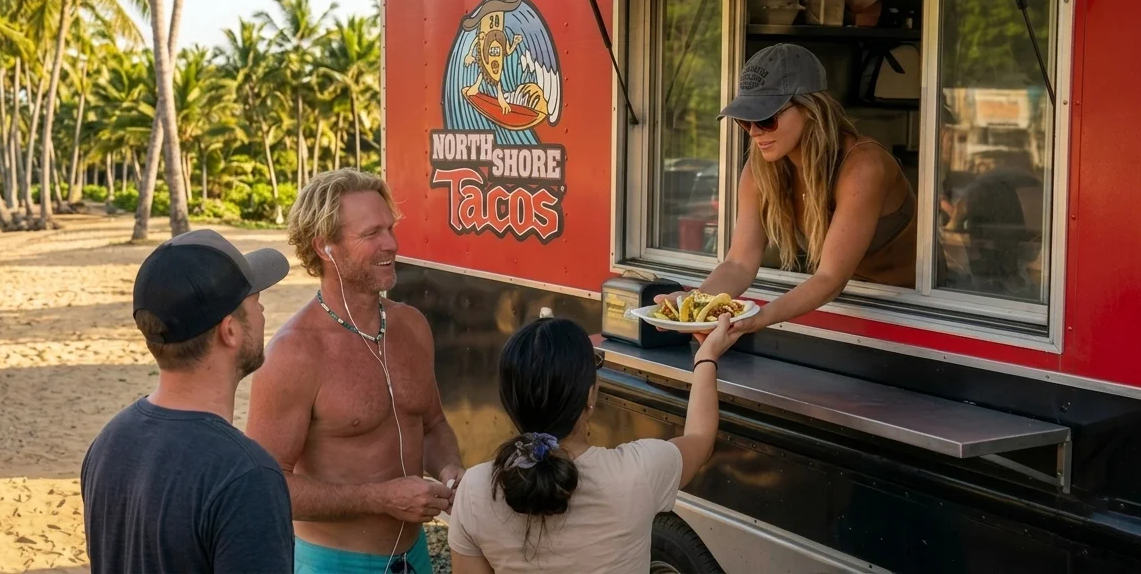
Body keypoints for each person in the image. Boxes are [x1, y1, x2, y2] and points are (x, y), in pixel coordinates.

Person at [247, 168, 465, 574]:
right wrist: (379, 499)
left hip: (414, 558)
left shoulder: (412, 325)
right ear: (325, 247)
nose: (392, 244)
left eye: (390, 228)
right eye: (371, 235)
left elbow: (432, 424)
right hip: (331, 563)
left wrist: (450, 468)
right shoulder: (294, 352)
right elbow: (266, 486)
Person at [448, 315, 744, 573]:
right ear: (590, 396)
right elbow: (700, 439)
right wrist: (706, 357)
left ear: (508, 400)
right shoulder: (639, 471)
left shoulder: (475, 489)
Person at [82, 229, 295, 574]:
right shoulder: (246, 475)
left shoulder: (109, 442)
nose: (263, 312)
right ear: (230, 330)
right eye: (255, 301)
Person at [682, 43, 918, 337]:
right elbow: (738, 263)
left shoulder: (863, 166)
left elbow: (830, 278)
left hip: (916, 314)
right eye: (745, 120)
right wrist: (689, 306)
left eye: (766, 118)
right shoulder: (762, 169)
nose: (754, 131)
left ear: (810, 109)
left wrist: (757, 319)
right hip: (844, 312)